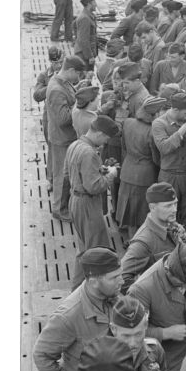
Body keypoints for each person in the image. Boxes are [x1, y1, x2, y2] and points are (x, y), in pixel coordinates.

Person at [33, 247, 125, 371]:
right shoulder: (68, 316)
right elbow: (41, 355)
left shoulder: (112, 294)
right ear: (94, 282)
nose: (122, 281)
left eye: (120, 275)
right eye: (114, 277)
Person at [128, 242, 186, 371]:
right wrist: (165, 333)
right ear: (167, 270)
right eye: (182, 283)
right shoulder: (141, 290)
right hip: (171, 364)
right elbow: (132, 333)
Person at [64, 116, 120, 288]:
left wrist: (99, 170)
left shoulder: (75, 145)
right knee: (96, 252)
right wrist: (111, 174)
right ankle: (86, 295)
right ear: (100, 134)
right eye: (106, 138)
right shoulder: (89, 153)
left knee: (84, 250)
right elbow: (94, 187)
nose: (105, 143)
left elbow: (68, 173)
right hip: (88, 205)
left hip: (76, 201)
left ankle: (76, 292)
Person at [121, 182, 186, 293]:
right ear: (152, 207)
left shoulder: (172, 225)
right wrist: (153, 296)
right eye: (168, 206)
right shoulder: (143, 242)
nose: (174, 209)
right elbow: (123, 279)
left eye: (175, 204)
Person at [116, 96, 165, 235]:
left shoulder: (128, 122)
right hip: (145, 175)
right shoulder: (152, 131)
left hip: (127, 170)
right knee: (141, 212)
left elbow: (124, 147)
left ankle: (130, 239)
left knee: (130, 210)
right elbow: (156, 159)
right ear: (155, 114)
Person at [46, 55, 85, 221]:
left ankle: (62, 207)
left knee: (63, 174)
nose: (79, 77)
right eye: (78, 74)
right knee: (61, 176)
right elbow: (62, 119)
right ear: (70, 70)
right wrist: (79, 106)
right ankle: (59, 210)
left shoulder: (63, 82)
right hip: (62, 138)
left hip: (64, 137)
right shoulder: (56, 89)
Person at [152, 92, 186, 228]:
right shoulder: (159, 124)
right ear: (175, 110)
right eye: (185, 113)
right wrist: (181, 132)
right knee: (167, 214)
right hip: (169, 176)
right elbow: (164, 147)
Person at [33, 46, 63, 191]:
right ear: (50, 61)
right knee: (52, 146)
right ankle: (51, 179)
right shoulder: (44, 76)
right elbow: (37, 95)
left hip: (65, 112)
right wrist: (51, 84)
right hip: (50, 115)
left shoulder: (67, 73)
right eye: (55, 63)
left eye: (60, 62)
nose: (58, 65)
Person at [74, 0, 98, 71]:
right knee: (85, 78)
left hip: (86, 53)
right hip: (83, 55)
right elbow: (84, 40)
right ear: (89, 4)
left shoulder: (89, 16)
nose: (96, 4)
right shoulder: (85, 18)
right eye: (94, 2)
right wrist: (90, 56)